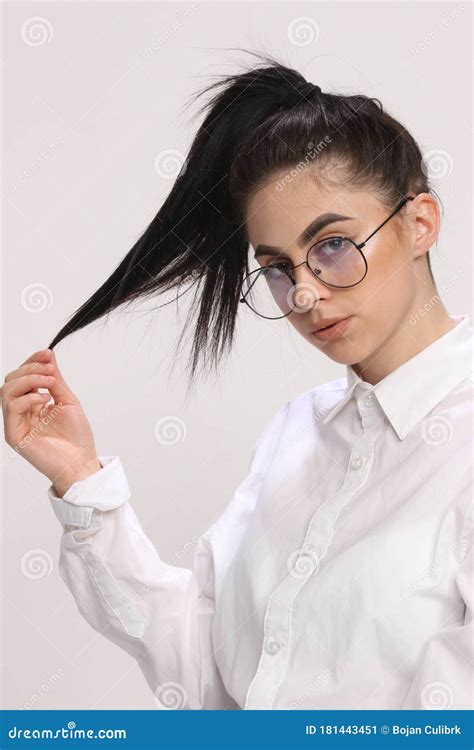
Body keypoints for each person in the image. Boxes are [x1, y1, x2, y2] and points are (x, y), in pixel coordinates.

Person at [2, 54, 473, 710]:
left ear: (419, 222)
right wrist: (83, 481)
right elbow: (207, 673)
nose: (304, 293)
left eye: (332, 244)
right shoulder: (296, 433)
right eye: (277, 267)